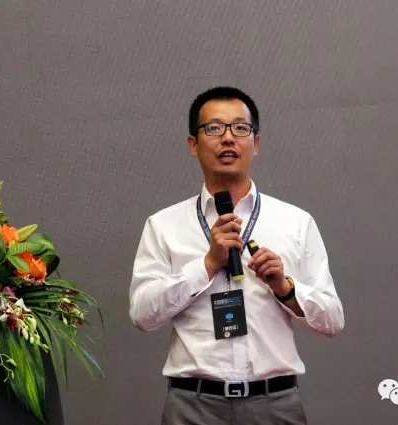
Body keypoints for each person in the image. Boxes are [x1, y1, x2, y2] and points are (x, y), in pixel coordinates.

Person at [129, 86, 344, 425]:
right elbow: (142, 314)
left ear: (256, 143)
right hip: (193, 406)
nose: (228, 138)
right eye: (214, 128)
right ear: (193, 145)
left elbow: (332, 320)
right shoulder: (163, 225)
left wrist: (285, 287)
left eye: (240, 128)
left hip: (274, 404)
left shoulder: (295, 222)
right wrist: (207, 265)